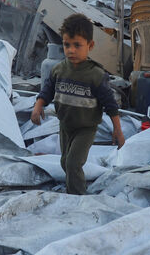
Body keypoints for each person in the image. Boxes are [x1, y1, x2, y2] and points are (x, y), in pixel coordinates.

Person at [32, 13, 125, 194]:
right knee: (64, 162)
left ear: (90, 46)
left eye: (77, 45)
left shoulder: (95, 75)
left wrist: (118, 130)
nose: (71, 50)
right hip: (65, 126)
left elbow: (111, 105)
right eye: (67, 45)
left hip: (86, 128)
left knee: (73, 163)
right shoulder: (58, 70)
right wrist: (38, 106)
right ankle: (74, 187)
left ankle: (78, 198)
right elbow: (47, 91)